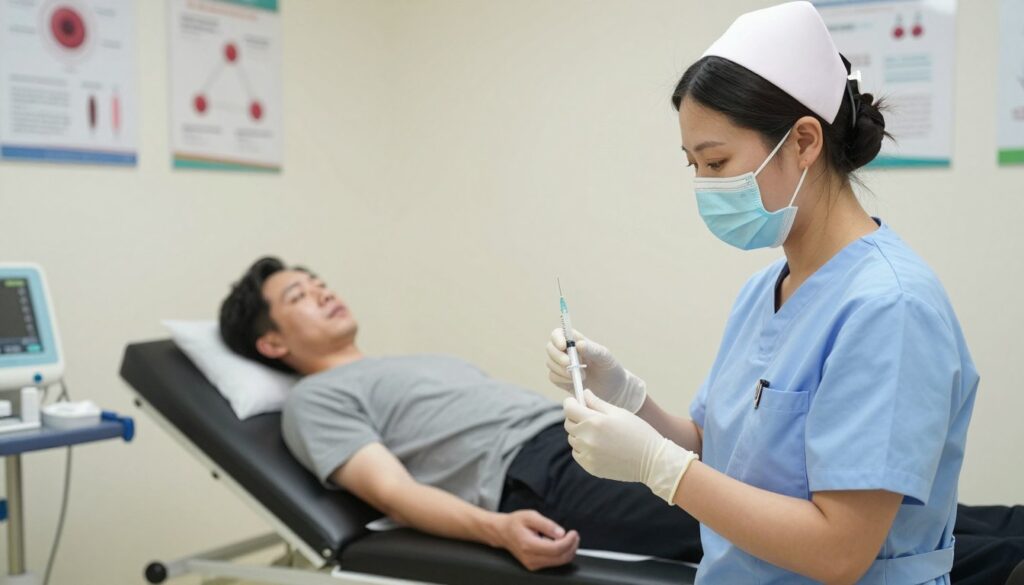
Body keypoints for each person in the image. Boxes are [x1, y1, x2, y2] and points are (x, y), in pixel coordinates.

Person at [546, 2, 979, 583]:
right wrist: (627, 397)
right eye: (692, 164)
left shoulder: (890, 307)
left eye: (717, 162)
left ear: (804, 142)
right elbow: (714, 447)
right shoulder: (763, 292)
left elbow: (840, 550)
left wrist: (658, 467)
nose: (703, 185)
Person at [218, 256, 702, 572]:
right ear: (272, 342)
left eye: (318, 282)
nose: (323, 292)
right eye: (298, 296)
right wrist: (498, 532)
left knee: (745, 488)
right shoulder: (312, 400)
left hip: (579, 436)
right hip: (535, 475)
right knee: (719, 524)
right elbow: (393, 493)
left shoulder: (407, 362)